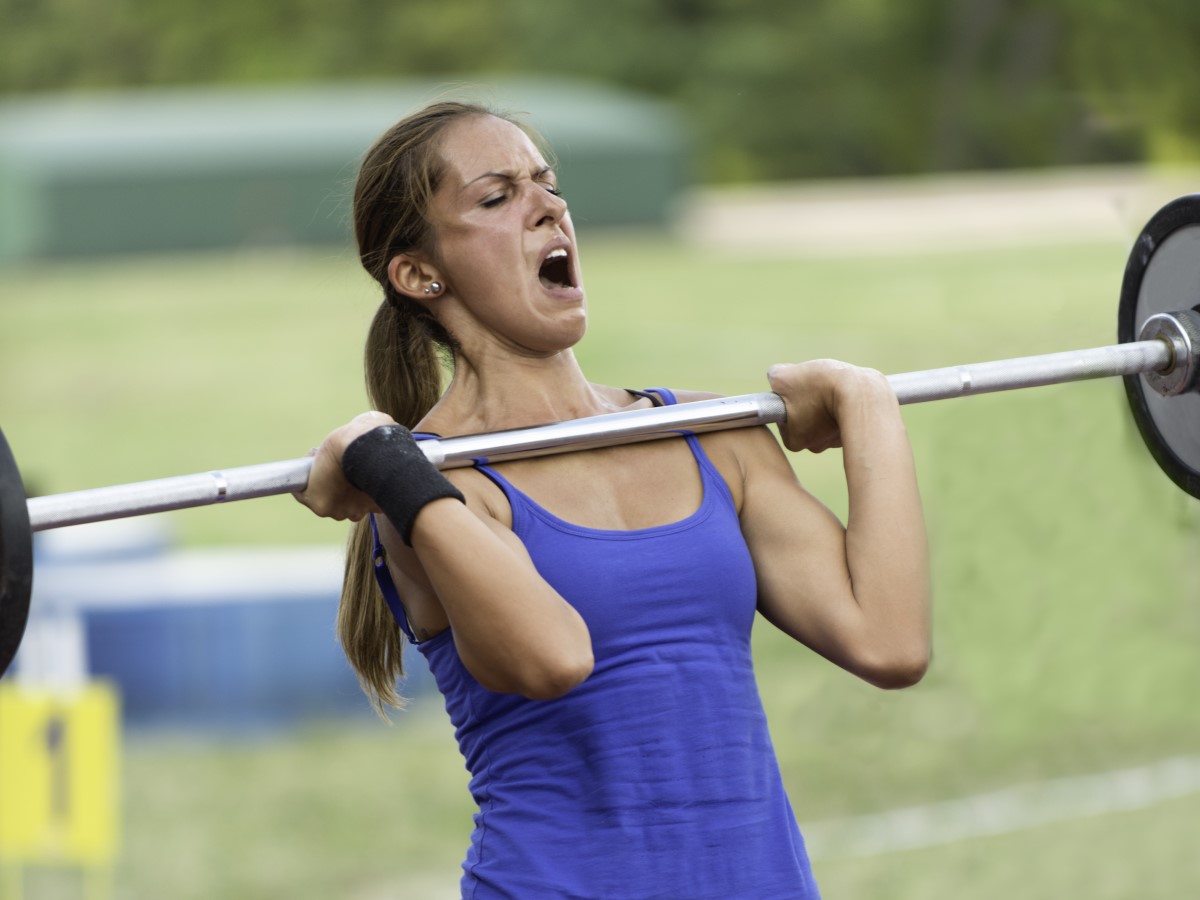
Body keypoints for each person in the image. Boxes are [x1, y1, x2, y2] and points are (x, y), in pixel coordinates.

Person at [296, 100, 930, 899]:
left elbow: (889, 642)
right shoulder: (438, 488)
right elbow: (552, 656)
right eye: (497, 198)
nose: (547, 207)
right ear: (422, 274)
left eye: (547, 185)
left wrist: (865, 403)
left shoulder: (711, 437)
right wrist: (385, 461)